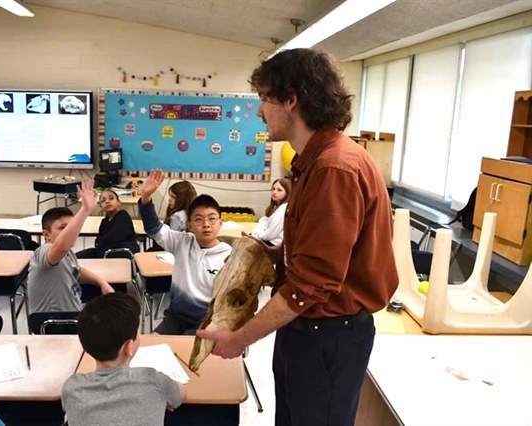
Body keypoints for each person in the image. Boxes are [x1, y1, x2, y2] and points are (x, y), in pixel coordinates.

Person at [197, 48, 399, 426]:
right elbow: (313, 257)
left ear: (292, 99)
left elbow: (312, 284)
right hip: (308, 330)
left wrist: (240, 339)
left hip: (327, 336)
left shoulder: (333, 169)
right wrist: (264, 257)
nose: (259, 111)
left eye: (264, 99)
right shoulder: (312, 162)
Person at [62, 293, 185, 426]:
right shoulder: (155, 381)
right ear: (128, 346)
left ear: (85, 346)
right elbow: (181, 395)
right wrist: (162, 394)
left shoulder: (71, 388)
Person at [139, 170, 232, 335]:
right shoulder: (181, 242)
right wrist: (146, 197)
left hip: (206, 324)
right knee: (151, 348)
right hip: (175, 318)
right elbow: (153, 228)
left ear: (220, 223)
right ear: (189, 225)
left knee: (184, 355)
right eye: (198, 219)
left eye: (212, 218)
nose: (206, 224)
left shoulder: (229, 256)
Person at [28, 178, 114, 313]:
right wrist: (85, 210)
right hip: (55, 322)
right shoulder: (43, 251)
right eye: (63, 228)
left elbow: (76, 271)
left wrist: (101, 281)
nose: (71, 231)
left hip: (73, 312)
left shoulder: (68, 253)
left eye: (71, 226)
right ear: (46, 235)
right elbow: (60, 247)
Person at [76, 189, 140, 259]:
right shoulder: (104, 221)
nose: (107, 201)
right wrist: (101, 243)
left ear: (119, 202)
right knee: (75, 257)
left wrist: (101, 243)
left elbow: (115, 236)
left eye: (111, 198)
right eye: (103, 200)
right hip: (106, 251)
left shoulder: (122, 215)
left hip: (123, 251)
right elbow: (98, 241)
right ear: (100, 206)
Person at [251, 177, 291, 246]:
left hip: (273, 245)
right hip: (269, 240)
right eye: (273, 189)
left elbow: (269, 235)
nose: (274, 192)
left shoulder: (282, 210)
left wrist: (256, 235)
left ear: (287, 193)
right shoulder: (276, 208)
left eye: (279, 190)